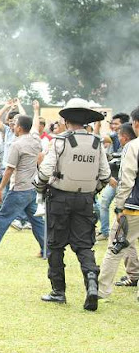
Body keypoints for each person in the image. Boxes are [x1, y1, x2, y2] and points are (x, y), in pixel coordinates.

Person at [34, 98, 110, 311]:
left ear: (66, 121)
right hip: (85, 199)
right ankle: (92, 283)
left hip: (59, 198)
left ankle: (58, 291)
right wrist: (91, 191)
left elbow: (45, 172)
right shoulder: (97, 143)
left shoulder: (59, 141)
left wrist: (40, 189)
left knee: (56, 245)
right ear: (86, 121)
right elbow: (104, 175)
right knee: (84, 244)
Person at [0, 115, 45, 259]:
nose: (12, 127)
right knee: (37, 221)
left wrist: (0, 188)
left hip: (19, 188)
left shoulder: (16, 144)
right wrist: (36, 110)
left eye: (14, 124)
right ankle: (47, 250)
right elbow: (35, 125)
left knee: (3, 218)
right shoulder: (36, 140)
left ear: (19, 127)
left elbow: (9, 169)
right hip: (32, 187)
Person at [98, 114, 139, 301]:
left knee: (115, 247)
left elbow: (127, 179)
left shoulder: (133, 146)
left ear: (136, 124)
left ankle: (101, 290)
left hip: (133, 207)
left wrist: (119, 207)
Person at [96, 113, 130, 241]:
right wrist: (98, 123)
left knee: (127, 209)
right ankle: (105, 232)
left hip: (128, 181)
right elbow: (98, 138)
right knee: (103, 203)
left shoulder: (133, 139)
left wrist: (112, 157)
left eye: (116, 124)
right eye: (112, 124)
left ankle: (126, 234)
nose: (113, 126)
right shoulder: (114, 137)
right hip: (115, 179)